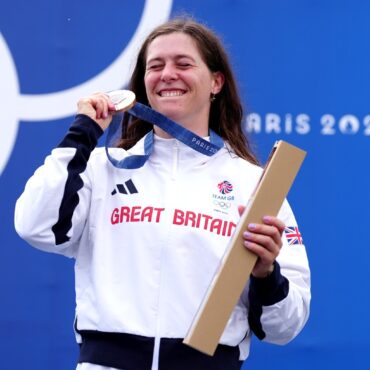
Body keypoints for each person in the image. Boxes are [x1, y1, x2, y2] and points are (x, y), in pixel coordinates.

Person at [14, 17, 311, 370]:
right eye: (155, 66)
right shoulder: (101, 168)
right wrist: (82, 133)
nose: (168, 74)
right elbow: (35, 226)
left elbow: (286, 326)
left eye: (183, 64)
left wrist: (266, 274)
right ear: (143, 85)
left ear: (216, 82)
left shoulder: (255, 185)